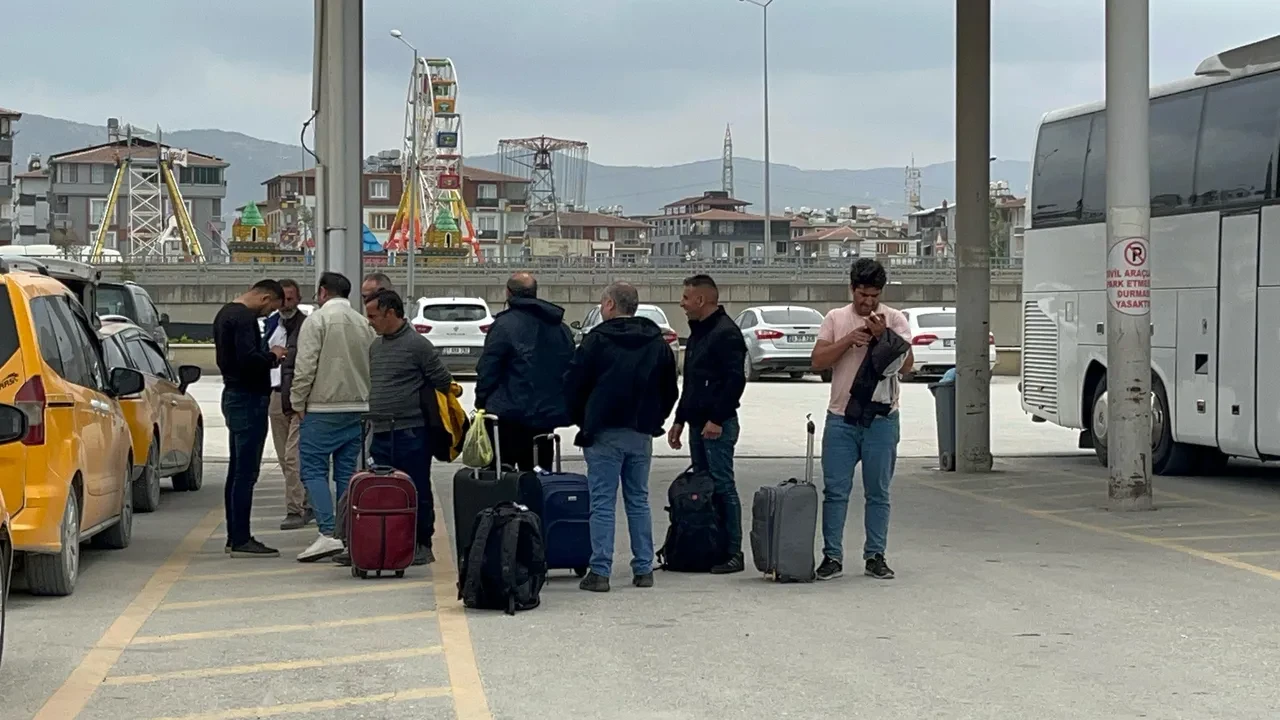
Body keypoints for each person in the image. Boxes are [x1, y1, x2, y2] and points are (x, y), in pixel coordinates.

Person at [565, 282, 678, 593]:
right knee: (638, 500)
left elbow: (574, 383)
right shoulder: (657, 343)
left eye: (603, 302)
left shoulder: (596, 342)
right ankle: (643, 568)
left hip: (603, 432)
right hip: (640, 431)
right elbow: (670, 389)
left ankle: (600, 571)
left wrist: (583, 419)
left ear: (611, 305)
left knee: (602, 502)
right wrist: (656, 420)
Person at [809, 258, 913, 581]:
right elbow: (816, 361)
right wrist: (847, 341)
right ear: (852, 289)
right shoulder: (835, 318)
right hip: (841, 418)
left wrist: (885, 338)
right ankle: (832, 556)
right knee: (835, 491)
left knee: (878, 492)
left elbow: (908, 366)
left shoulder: (895, 319)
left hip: (882, 419)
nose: (867, 302)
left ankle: (875, 555)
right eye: (862, 295)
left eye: (874, 296)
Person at [362, 288, 454, 565]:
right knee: (386, 491)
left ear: (391, 313)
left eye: (373, 315)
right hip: (380, 431)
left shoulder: (418, 345)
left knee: (416, 489)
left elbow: (443, 380)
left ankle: (422, 543)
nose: (370, 321)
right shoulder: (376, 346)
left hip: (411, 431)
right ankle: (393, 541)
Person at [290, 271, 376, 563]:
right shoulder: (364, 323)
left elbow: (305, 366)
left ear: (323, 292)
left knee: (312, 469)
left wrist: (297, 401)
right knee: (345, 474)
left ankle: (328, 533)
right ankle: (349, 534)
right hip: (358, 408)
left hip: (323, 407)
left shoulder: (317, 321)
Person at [667, 274, 747, 575]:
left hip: (717, 425)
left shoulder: (726, 333)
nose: (682, 303)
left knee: (723, 486)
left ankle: (733, 551)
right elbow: (692, 383)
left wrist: (717, 418)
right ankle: (707, 546)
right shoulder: (699, 331)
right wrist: (678, 419)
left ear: (701, 300)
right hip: (697, 424)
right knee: (702, 489)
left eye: (686, 298)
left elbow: (735, 381)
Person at [212, 279, 285, 558]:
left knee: (236, 469)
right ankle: (241, 538)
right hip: (248, 398)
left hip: (233, 395)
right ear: (265, 298)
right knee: (246, 471)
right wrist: (272, 356)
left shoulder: (225, 314)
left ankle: (235, 535)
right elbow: (248, 358)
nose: (266, 316)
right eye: (270, 309)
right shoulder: (244, 318)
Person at [474, 272, 575, 471]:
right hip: (545, 418)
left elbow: (488, 368)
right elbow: (570, 369)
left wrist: (481, 401)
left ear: (508, 293)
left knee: (503, 479)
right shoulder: (560, 327)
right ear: (535, 293)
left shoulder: (504, 325)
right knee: (539, 479)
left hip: (507, 417)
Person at [265, 278, 312, 530]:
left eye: (291, 299)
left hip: (297, 395)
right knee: (284, 457)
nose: (286, 304)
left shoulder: (306, 326)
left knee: (294, 456)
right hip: (274, 394)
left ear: (299, 299)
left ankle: (296, 508)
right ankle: (305, 501)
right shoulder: (271, 323)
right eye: (282, 299)